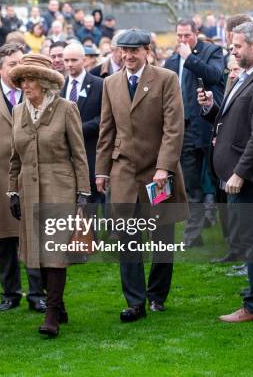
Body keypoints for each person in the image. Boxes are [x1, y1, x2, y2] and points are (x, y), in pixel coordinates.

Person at [95, 29, 189, 322]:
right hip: (124, 172)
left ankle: (157, 296)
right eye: (123, 51)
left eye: (133, 51)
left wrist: (164, 167)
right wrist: (101, 170)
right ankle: (135, 302)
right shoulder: (110, 83)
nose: (128, 56)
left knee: (162, 236)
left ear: (147, 50)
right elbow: (106, 130)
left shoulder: (166, 79)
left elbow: (174, 128)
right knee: (127, 238)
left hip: (158, 173)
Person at [198, 22, 253, 322]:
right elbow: (232, 120)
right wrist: (210, 109)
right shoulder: (248, 75)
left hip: (249, 175)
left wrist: (240, 174)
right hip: (240, 171)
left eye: (237, 46)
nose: (232, 51)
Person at [7, 53, 91, 337]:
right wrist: (12, 191)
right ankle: (59, 303)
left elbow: (79, 154)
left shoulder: (66, 108)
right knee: (37, 253)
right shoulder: (18, 111)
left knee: (55, 252)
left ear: (44, 82)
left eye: (30, 79)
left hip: (61, 188)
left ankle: (52, 312)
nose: (25, 85)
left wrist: (83, 194)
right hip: (28, 190)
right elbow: (14, 157)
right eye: (21, 80)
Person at [0, 43, 47, 313]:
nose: (19, 70)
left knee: (34, 235)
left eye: (22, 64)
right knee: (3, 238)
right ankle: (10, 293)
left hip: (32, 174)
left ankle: (38, 293)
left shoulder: (37, 93)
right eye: (13, 64)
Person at [164, 18, 225, 248]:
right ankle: (193, 235)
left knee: (219, 182)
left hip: (209, 126)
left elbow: (215, 76)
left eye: (186, 35)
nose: (182, 40)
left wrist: (190, 58)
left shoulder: (211, 51)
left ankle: (232, 235)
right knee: (191, 185)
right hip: (184, 128)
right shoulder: (171, 60)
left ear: (196, 33)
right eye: (179, 36)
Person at [61, 43, 104, 204]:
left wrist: (76, 130)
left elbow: (104, 119)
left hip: (91, 155)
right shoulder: (58, 86)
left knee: (91, 209)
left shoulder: (99, 85)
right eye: (66, 60)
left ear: (84, 60)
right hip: (65, 158)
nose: (69, 64)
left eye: (73, 60)